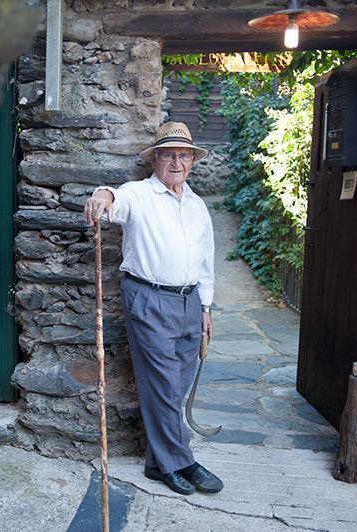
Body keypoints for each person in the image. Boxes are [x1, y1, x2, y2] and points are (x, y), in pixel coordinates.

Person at [83, 121, 223, 495]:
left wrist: (206, 307)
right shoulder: (140, 193)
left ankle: (156, 463)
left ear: (192, 160)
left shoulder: (197, 206)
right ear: (155, 159)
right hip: (148, 299)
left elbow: (205, 260)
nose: (176, 162)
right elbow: (115, 197)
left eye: (183, 155)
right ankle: (183, 462)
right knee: (161, 384)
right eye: (169, 155)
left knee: (175, 386)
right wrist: (101, 196)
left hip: (190, 302)